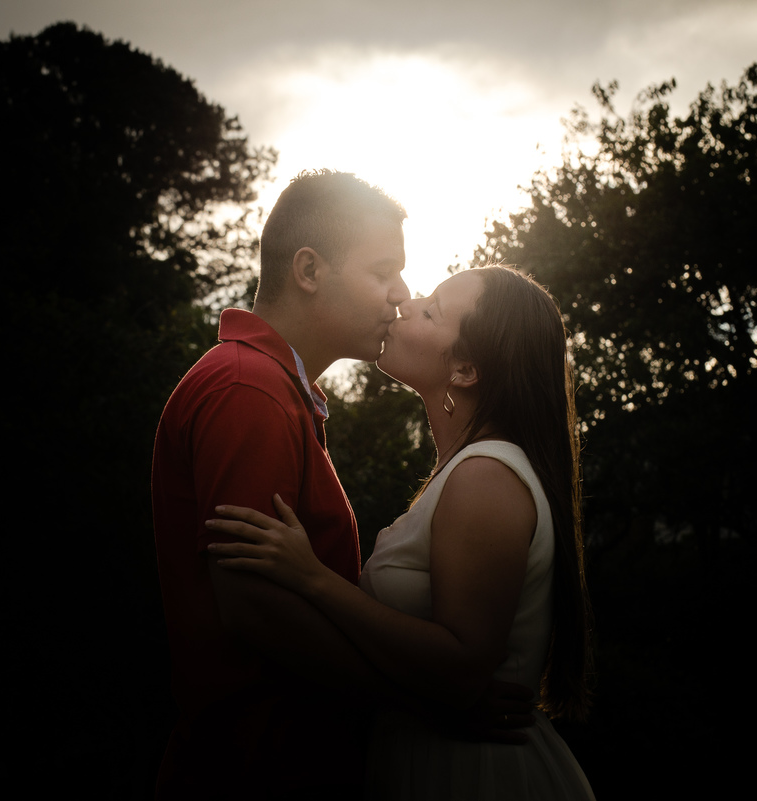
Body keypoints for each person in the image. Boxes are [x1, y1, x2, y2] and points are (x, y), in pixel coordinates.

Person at [152, 172, 530, 800]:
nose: (401, 294)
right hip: (254, 770)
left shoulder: (276, 388)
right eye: (383, 272)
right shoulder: (248, 388)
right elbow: (254, 607)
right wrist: (423, 702)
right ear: (309, 270)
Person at [207, 265, 596, 799]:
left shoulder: (485, 477)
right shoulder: (468, 470)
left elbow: (462, 667)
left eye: (430, 310)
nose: (406, 302)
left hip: (474, 775)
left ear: (464, 370)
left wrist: (313, 579)